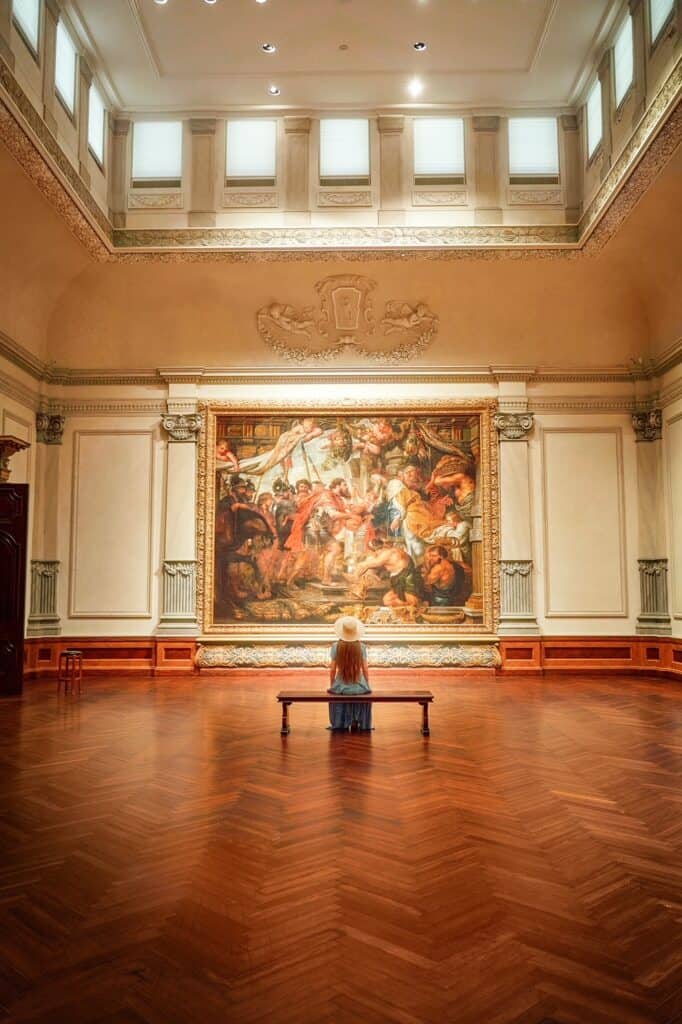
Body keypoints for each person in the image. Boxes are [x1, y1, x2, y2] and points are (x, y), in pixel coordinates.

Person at [327, 616, 372, 732]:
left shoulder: (336, 646)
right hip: (359, 686)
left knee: (336, 695)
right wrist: (367, 684)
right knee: (363, 694)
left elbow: (332, 669)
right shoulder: (361, 646)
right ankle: (356, 720)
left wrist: (333, 684)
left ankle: (341, 721)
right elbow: (365, 669)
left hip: (341, 686)